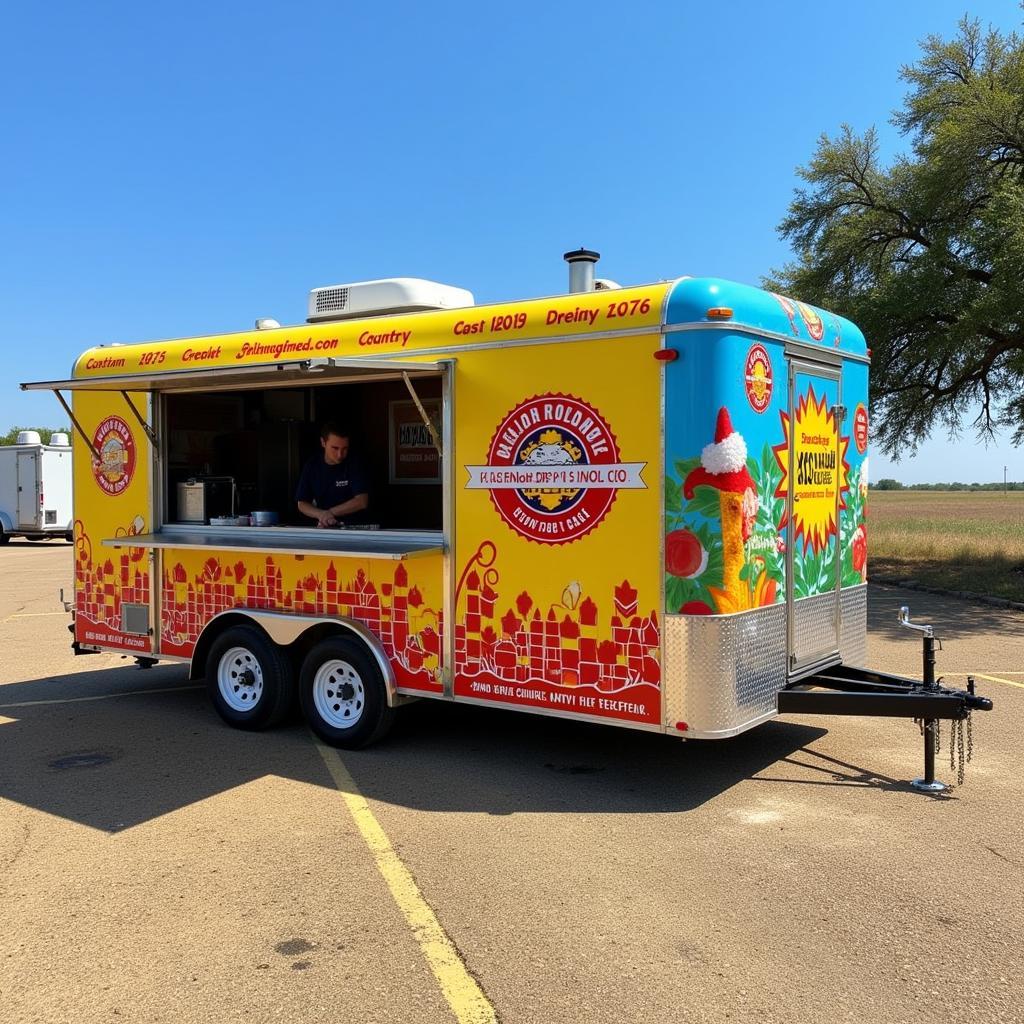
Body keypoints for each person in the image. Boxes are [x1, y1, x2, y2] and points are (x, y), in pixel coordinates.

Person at [295, 423, 369, 527]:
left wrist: (330, 513)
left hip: (355, 529)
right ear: (323, 442)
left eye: (345, 449)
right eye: (335, 448)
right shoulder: (312, 465)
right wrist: (321, 514)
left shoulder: (354, 463)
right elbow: (302, 503)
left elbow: (362, 501)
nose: (340, 454)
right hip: (326, 528)